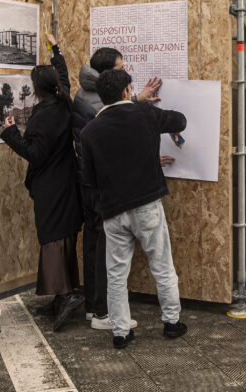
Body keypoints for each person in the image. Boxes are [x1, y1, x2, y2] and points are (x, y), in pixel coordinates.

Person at [80, 68, 187, 349]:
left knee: (116, 274)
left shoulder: (90, 130)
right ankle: (172, 323)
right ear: (128, 90)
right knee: (162, 265)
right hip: (147, 205)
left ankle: (121, 332)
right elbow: (180, 120)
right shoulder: (145, 114)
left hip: (113, 210)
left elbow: (88, 179)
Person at [1, 31, 85, 331]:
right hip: (67, 181)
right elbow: (63, 76)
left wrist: (11, 133)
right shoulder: (63, 103)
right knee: (63, 236)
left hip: (50, 185)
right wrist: (54, 47)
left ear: (36, 88)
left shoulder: (43, 116)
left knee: (51, 238)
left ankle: (64, 295)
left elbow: (34, 154)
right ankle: (65, 292)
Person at [72, 46, 161, 330]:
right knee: (103, 248)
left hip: (90, 177)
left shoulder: (85, 88)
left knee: (94, 241)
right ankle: (101, 313)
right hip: (101, 181)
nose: (125, 71)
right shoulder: (96, 96)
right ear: (109, 72)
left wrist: (134, 98)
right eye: (121, 68)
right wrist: (137, 102)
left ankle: (93, 307)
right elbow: (110, 119)